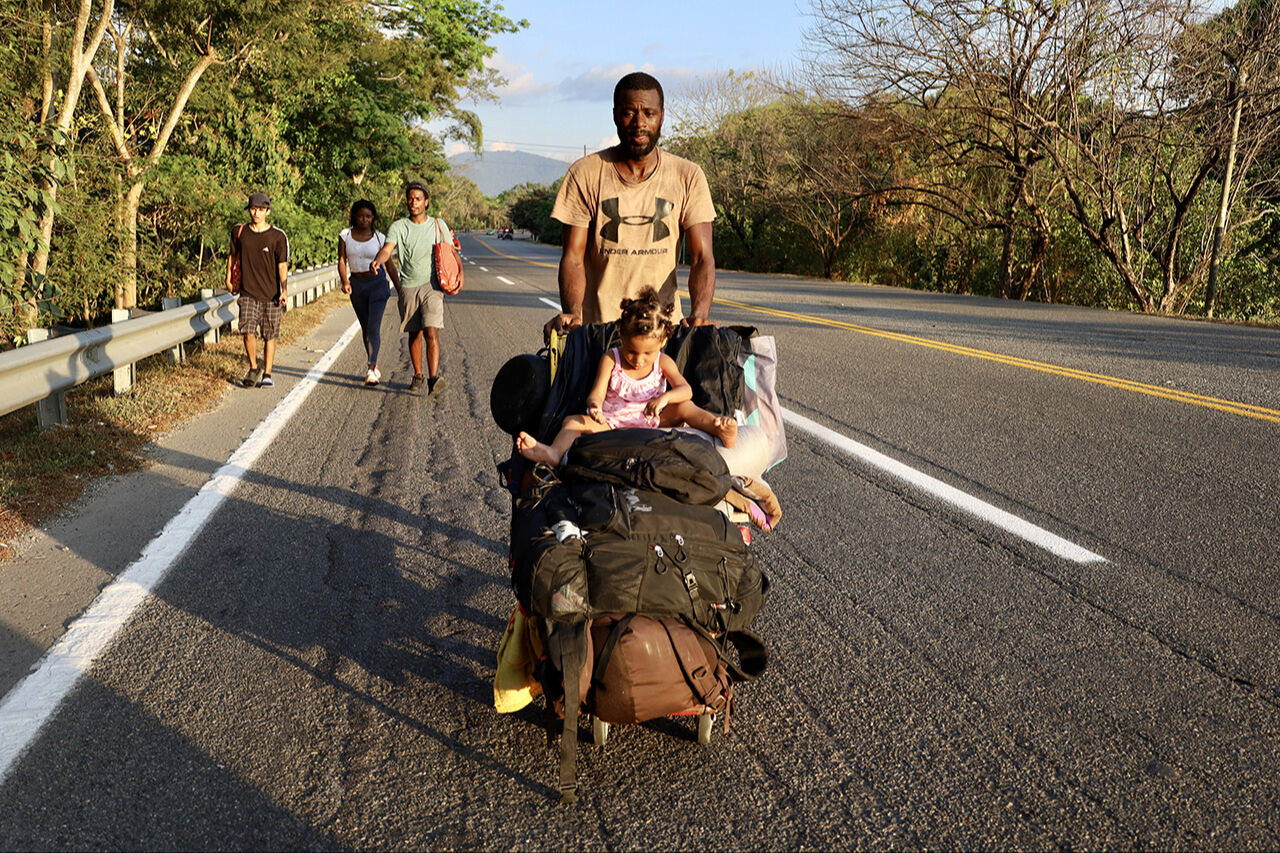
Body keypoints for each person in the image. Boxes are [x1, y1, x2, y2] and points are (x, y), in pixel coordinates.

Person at [545, 72, 717, 339]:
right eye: (629, 113)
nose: (640, 123)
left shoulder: (688, 176)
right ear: (615, 115)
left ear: (662, 116)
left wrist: (700, 314)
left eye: (649, 113)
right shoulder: (585, 174)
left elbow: (702, 257)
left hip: (663, 332)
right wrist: (573, 314)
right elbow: (573, 257)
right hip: (599, 334)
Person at [517, 287, 737, 466]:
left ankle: (717, 427)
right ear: (621, 335)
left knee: (684, 406)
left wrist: (665, 399)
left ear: (662, 342)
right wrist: (595, 407)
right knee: (573, 422)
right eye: (631, 351)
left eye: (647, 353)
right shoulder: (611, 359)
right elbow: (596, 394)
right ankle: (554, 453)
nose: (638, 360)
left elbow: (686, 390)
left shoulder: (663, 361)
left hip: (654, 422)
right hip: (613, 424)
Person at [370, 181, 458, 396]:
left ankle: (433, 378)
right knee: (415, 333)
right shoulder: (399, 227)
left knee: (431, 331)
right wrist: (378, 260)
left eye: (418, 199)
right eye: (410, 198)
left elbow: (451, 251)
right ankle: (418, 374)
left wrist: (460, 274)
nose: (413, 202)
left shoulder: (438, 225)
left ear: (426, 202)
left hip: (432, 286)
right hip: (408, 286)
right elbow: (387, 249)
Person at [226, 192, 289, 388]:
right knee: (247, 330)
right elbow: (232, 256)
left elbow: (282, 264)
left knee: (270, 335)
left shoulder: (278, 236)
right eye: (253, 209)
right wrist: (228, 278)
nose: (256, 213)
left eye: (261, 209)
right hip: (248, 292)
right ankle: (253, 367)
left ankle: (267, 372)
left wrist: (284, 289)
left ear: (268, 211)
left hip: (271, 294)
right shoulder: (240, 232)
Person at [338, 200, 400, 386]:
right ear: (354, 216)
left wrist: (400, 290)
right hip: (357, 285)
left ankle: (371, 368)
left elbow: (389, 265)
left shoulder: (380, 238)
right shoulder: (345, 235)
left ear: (373, 218)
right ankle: (374, 363)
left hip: (377, 284)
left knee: (373, 326)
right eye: (361, 216)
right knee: (366, 327)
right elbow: (341, 260)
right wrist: (345, 281)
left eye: (368, 216)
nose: (364, 220)